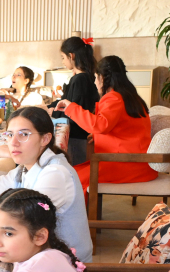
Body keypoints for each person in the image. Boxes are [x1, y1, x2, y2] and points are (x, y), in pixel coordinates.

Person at [0, 106, 93, 262]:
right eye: (10, 135)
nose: (13, 142)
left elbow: (25, 225)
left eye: (24, 135)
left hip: (66, 266)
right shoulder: (23, 170)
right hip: (37, 257)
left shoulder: (55, 174)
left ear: (45, 139)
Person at [55, 55, 156, 191]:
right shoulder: (130, 96)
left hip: (125, 163)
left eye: (96, 77)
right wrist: (97, 136)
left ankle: (76, 213)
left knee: (70, 179)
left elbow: (99, 125)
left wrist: (71, 107)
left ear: (102, 78)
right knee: (71, 175)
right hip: (137, 163)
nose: (95, 82)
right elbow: (122, 128)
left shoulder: (114, 98)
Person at [48, 37, 99, 165]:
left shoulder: (80, 80)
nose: (63, 62)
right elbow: (66, 101)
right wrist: (50, 106)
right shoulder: (81, 78)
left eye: (63, 57)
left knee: (75, 169)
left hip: (77, 136)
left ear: (71, 56)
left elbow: (75, 111)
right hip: (77, 135)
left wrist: (53, 112)